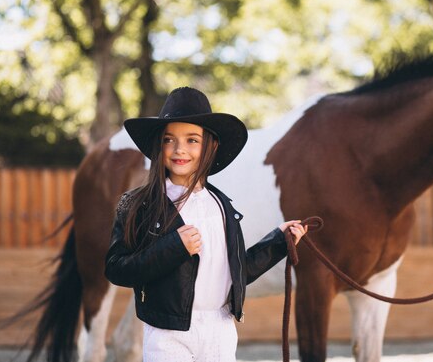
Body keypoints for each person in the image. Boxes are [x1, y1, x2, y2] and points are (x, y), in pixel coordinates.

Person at [104, 86, 307, 362]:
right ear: (158, 145)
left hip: (221, 329)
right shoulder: (138, 205)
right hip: (168, 333)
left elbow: (236, 272)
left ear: (210, 146)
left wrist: (278, 242)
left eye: (192, 140)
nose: (179, 150)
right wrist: (174, 247)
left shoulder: (222, 206)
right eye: (169, 140)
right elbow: (117, 269)